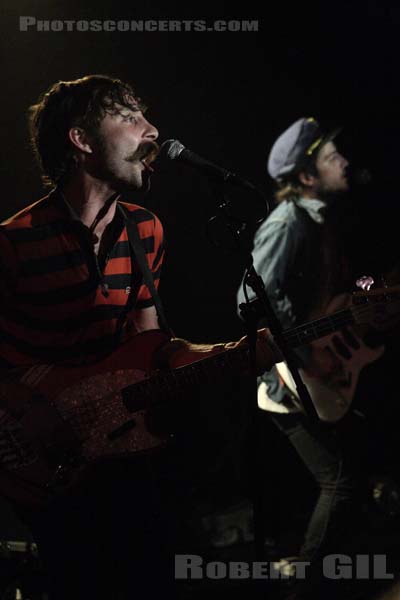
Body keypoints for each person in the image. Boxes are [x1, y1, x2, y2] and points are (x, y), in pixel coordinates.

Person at [0, 75, 279, 599]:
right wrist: (26, 407)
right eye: (128, 117)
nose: (152, 130)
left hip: (121, 449)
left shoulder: (145, 230)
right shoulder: (13, 243)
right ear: (82, 140)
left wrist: (230, 355)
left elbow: (150, 349)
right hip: (40, 461)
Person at [237, 117, 394, 597]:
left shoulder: (325, 219)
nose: (343, 162)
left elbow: (324, 296)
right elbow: (251, 299)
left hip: (318, 370)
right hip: (291, 380)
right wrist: (307, 356)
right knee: (343, 480)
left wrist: (366, 296)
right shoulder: (287, 222)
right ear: (306, 177)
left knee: (355, 472)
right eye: (330, 158)